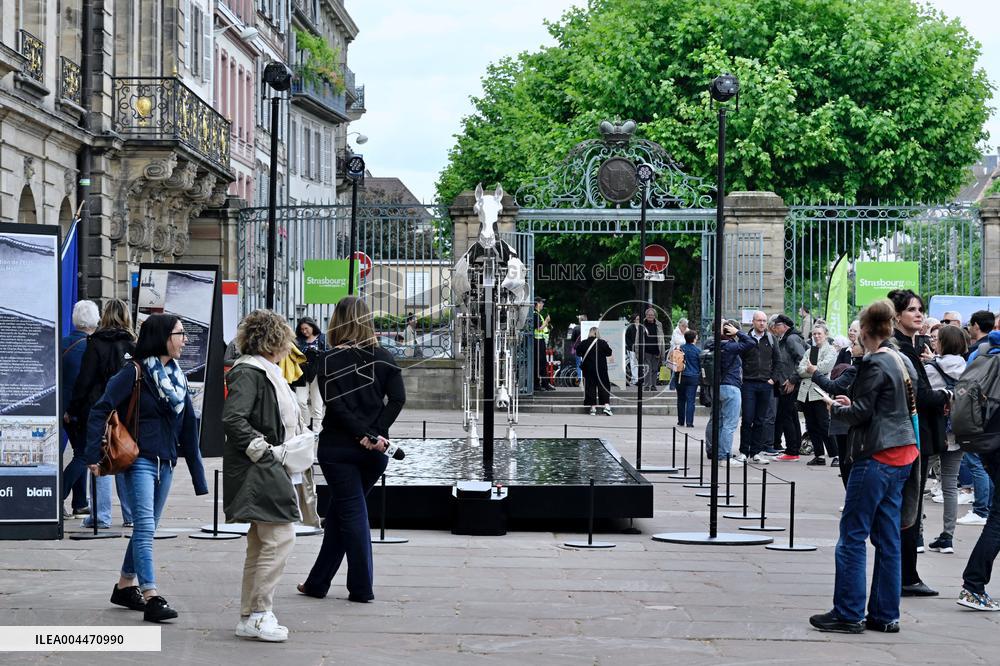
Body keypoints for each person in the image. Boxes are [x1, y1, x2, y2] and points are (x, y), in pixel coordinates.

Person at [86, 313, 208, 623]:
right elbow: (100, 408)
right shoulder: (134, 372)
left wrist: (197, 475)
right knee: (143, 527)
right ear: (163, 337)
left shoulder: (177, 377)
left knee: (147, 527)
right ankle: (151, 594)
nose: (184, 340)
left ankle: (125, 586)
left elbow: (189, 430)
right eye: (180, 334)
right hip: (138, 459)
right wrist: (91, 455)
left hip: (166, 462)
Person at [809, 299, 920, 634]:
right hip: (901, 453)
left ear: (869, 332)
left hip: (876, 455)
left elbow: (863, 413)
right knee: (888, 538)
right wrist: (852, 403)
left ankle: (848, 611)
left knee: (853, 535)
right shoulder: (900, 359)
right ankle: (886, 614)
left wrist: (836, 409)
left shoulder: (874, 363)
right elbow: (887, 405)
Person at [299, 296, 406, 602]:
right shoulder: (385, 357)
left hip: (339, 449)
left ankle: (361, 587)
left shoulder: (329, 360)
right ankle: (317, 583)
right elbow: (397, 400)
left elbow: (337, 405)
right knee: (341, 516)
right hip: (374, 454)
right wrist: (375, 434)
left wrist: (364, 433)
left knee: (351, 515)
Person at [223, 310, 304, 642]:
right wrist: (262, 449)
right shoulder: (251, 372)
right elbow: (233, 418)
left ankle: (252, 615)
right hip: (261, 465)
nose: (289, 345)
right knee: (279, 538)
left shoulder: (260, 370)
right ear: (274, 340)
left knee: (261, 543)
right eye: (285, 338)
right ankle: (259, 614)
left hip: (265, 463)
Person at [888, 289, 950, 598]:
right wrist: (946, 395)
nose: (919, 313)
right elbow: (918, 396)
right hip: (911, 436)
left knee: (911, 506)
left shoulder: (913, 346)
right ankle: (905, 576)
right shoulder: (902, 348)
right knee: (909, 507)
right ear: (897, 315)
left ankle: (906, 573)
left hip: (917, 436)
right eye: (912, 309)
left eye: (920, 309)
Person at [68, 298, 136, 529]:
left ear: (104, 316)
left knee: (100, 459)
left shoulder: (95, 343)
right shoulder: (133, 344)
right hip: (126, 410)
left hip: (99, 408)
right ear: (127, 317)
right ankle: (130, 516)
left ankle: (101, 516)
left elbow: (84, 381)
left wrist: (74, 409)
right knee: (125, 457)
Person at [958, 327, 1000, 610]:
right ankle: (973, 586)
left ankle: (973, 585)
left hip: (986, 442)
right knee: (998, 519)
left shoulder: (985, 354)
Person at [924, 325, 968, 555]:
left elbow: (922, 398)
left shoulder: (931, 368)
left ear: (943, 343)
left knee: (919, 482)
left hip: (934, 432)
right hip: (959, 432)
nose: (934, 341)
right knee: (950, 484)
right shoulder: (968, 368)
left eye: (937, 339)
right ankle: (947, 537)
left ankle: (917, 535)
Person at [61, 299, 100, 518]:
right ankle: (58, 496)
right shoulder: (91, 347)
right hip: (80, 410)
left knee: (79, 452)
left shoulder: (63, 343)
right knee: (85, 455)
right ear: (95, 320)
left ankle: (80, 502)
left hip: (60, 408)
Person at [705, 320, 755, 466]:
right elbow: (751, 343)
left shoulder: (712, 344)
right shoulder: (730, 346)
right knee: (730, 424)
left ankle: (716, 452)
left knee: (718, 421)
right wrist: (738, 332)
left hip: (717, 387)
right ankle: (724, 457)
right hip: (731, 387)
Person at [739, 311, 779, 463]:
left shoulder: (771, 338)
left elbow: (778, 361)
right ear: (753, 322)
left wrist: (773, 379)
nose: (762, 323)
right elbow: (739, 358)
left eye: (764, 321)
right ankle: (744, 451)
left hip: (765, 384)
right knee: (748, 418)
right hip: (748, 383)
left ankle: (756, 452)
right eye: (759, 320)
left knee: (760, 420)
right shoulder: (746, 339)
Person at [796, 323, 838, 466]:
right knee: (811, 425)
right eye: (814, 334)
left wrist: (812, 369)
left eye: (819, 333)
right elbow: (800, 370)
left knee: (824, 424)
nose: (816, 336)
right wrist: (813, 370)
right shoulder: (811, 351)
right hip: (807, 393)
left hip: (820, 392)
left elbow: (826, 367)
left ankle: (835, 455)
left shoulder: (830, 350)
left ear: (825, 335)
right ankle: (819, 455)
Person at [772, 314, 807, 460]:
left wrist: (792, 380)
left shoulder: (791, 339)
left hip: (790, 384)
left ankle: (792, 451)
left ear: (784, 326)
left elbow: (802, 359)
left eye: (776, 326)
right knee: (790, 415)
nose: (774, 329)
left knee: (786, 416)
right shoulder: (786, 338)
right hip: (786, 383)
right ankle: (794, 447)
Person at [292, 317, 327, 430]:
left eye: (306, 328)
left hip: (318, 374)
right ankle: (305, 427)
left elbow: (328, 354)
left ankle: (316, 430)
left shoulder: (323, 338)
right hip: (302, 373)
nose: (304, 331)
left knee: (317, 404)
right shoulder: (298, 340)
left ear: (312, 326)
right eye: (302, 329)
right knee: (300, 401)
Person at [579, 327, 613, 416]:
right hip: (601, 369)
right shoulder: (602, 342)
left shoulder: (584, 343)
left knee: (590, 387)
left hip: (588, 369)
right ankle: (607, 406)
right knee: (604, 386)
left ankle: (593, 408)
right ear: (597, 333)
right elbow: (609, 353)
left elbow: (578, 352)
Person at [677, 330, 701, 428]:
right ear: (694, 338)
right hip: (693, 377)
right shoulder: (698, 350)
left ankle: (681, 421)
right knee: (691, 400)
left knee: (681, 399)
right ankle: (689, 422)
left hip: (681, 376)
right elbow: (700, 365)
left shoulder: (680, 349)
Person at [639, 307, 665, 391]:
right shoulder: (642, 324)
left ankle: (653, 385)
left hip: (656, 350)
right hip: (646, 350)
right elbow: (637, 338)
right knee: (647, 369)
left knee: (654, 369)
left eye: (651, 315)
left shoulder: (659, 324)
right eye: (648, 315)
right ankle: (646, 386)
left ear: (654, 316)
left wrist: (662, 351)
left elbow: (662, 338)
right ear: (646, 315)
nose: (650, 316)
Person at [533, 297, 555, 391]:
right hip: (537, 341)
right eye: (541, 302)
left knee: (542, 363)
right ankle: (541, 384)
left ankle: (542, 384)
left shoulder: (537, 314)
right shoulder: (535, 315)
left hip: (540, 341)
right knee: (540, 363)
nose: (543, 304)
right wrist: (546, 321)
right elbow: (539, 328)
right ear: (537, 303)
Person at [667, 318, 688, 389]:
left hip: (685, 352)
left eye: (686, 326)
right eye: (683, 325)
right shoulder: (675, 331)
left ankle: (681, 385)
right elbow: (677, 342)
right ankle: (672, 386)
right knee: (676, 369)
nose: (685, 327)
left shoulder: (687, 330)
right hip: (676, 353)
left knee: (683, 369)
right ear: (680, 325)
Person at [624, 314, 641, 387]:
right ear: (634, 320)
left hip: (640, 348)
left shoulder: (641, 327)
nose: (639, 320)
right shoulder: (630, 328)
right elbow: (627, 339)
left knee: (638, 364)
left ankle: (638, 379)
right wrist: (632, 347)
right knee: (633, 364)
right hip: (632, 349)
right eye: (637, 319)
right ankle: (635, 379)